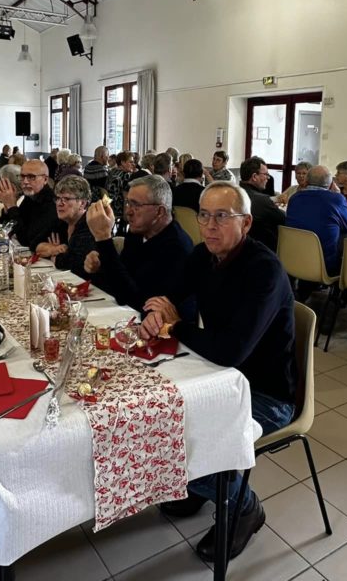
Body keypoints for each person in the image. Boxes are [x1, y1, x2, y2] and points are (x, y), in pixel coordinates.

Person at [139, 182, 296, 563]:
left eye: (221, 216)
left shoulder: (264, 271)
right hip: (218, 378)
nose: (209, 225)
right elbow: (169, 293)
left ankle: (245, 506)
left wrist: (175, 326)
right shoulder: (205, 255)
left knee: (183, 437)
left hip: (266, 394)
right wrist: (157, 313)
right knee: (154, 419)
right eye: (204, 215)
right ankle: (200, 484)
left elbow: (231, 349)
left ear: (246, 223)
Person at [83, 175, 194, 318]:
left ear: (159, 212)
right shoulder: (138, 232)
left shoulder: (176, 247)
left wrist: (103, 239)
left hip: (165, 330)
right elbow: (122, 279)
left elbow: (134, 300)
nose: (128, 211)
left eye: (136, 205)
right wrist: (100, 266)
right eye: (128, 203)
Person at [286, 165, 347, 277]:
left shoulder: (295, 198)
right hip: (324, 263)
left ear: (307, 181)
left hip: (293, 257)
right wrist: (338, 195)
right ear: (330, 184)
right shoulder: (336, 199)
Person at [34, 175, 96, 278]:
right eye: (58, 198)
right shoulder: (61, 222)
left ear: (82, 203)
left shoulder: (89, 224)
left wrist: (55, 257)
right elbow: (35, 244)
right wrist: (53, 250)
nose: (59, 203)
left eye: (66, 199)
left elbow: (74, 265)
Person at [0, 159, 59, 248]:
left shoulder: (51, 203)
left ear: (45, 179)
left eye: (31, 177)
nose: (25, 182)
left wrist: (12, 206)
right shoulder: (30, 197)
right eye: (22, 177)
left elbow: (26, 240)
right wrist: (7, 207)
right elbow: (6, 227)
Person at [238, 156, 286, 252]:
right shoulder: (262, 200)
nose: (268, 178)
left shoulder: (233, 194)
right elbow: (285, 219)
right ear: (254, 177)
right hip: (263, 254)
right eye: (265, 174)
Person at [106, 151, 137, 218]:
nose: (133, 164)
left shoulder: (112, 171)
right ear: (123, 162)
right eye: (131, 162)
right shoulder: (125, 175)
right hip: (118, 208)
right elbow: (126, 196)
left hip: (108, 205)